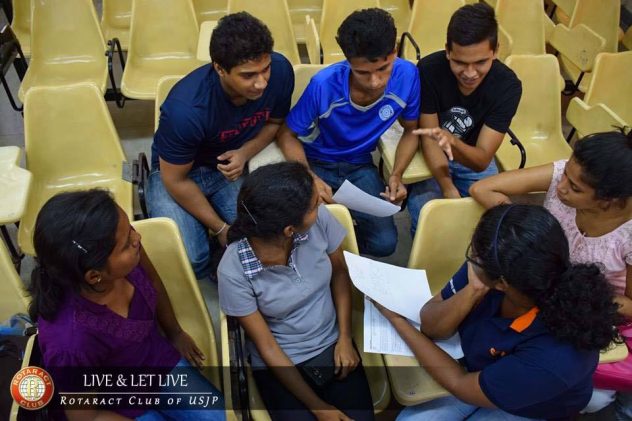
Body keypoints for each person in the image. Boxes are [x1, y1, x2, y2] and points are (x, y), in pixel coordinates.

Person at [375, 204, 620, 420]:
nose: (471, 258)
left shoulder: (553, 357)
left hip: (532, 403)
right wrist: (473, 289)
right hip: (484, 372)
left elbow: (461, 384)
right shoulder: (498, 263)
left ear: (502, 283)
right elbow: (432, 326)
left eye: (475, 257)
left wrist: (398, 320)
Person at [470, 130, 632, 416]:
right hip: (537, 292)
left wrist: (572, 291)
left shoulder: (627, 234)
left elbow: (630, 305)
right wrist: (528, 237)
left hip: (587, 313)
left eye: (576, 188)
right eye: (566, 173)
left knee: (562, 382)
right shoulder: (563, 176)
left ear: (608, 200)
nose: (562, 188)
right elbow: (482, 188)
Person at [30, 190, 225, 421]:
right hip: (113, 403)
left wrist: (174, 332)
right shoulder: (70, 343)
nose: (137, 237)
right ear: (94, 276)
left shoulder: (131, 251)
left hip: (155, 361)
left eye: (130, 228)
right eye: (125, 245)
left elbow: (153, 282)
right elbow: (87, 416)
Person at [218, 162, 374, 421]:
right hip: (280, 363)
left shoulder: (319, 220)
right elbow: (267, 346)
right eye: (314, 205)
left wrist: (345, 337)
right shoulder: (233, 271)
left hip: (332, 343)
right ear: (289, 230)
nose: (321, 202)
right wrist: (318, 407)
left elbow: (340, 273)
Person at [147, 12, 294, 279]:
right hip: (176, 173)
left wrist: (245, 153)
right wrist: (221, 229)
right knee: (192, 259)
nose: (262, 82)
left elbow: (275, 123)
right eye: (248, 75)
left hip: (224, 169)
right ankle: (212, 247)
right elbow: (175, 180)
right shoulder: (186, 110)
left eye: (265, 69)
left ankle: (220, 253)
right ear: (219, 68)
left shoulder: (281, 71)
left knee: (260, 238)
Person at [276, 8, 420, 257]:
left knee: (384, 243)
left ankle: (334, 246)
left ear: (395, 52)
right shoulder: (323, 85)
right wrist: (310, 177)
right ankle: (324, 249)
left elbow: (411, 131)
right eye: (363, 72)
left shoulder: (408, 75)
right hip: (315, 162)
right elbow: (286, 135)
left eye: (383, 68)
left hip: (359, 165)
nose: (375, 81)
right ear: (348, 61)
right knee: (295, 232)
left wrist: (396, 174)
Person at [406, 2, 522, 234]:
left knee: (495, 222)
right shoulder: (429, 70)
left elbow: (481, 160)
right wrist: (447, 186)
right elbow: (429, 140)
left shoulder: (507, 85)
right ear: (448, 51)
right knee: (426, 219)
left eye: (480, 62)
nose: (470, 73)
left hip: (472, 155)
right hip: (432, 153)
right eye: (459, 62)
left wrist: (453, 142)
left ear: (495, 51)